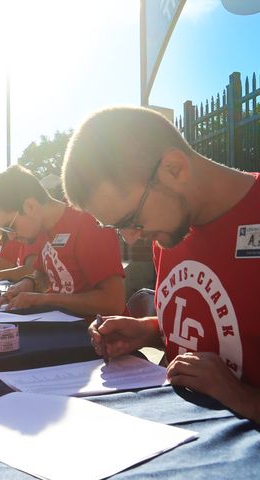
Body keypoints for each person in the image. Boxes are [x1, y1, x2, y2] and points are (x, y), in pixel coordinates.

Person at [62, 105, 260, 422]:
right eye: (116, 227)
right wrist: (150, 331)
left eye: (131, 220)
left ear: (174, 169)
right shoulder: (169, 232)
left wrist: (244, 398)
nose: (129, 238)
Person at [0, 165, 126, 316]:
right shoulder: (41, 230)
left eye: (10, 227)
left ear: (30, 206)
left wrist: (46, 299)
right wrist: (28, 283)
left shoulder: (88, 222)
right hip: (63, 329)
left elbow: (113, 303)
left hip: (99, 335)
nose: (11, 237)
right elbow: (43, 274)